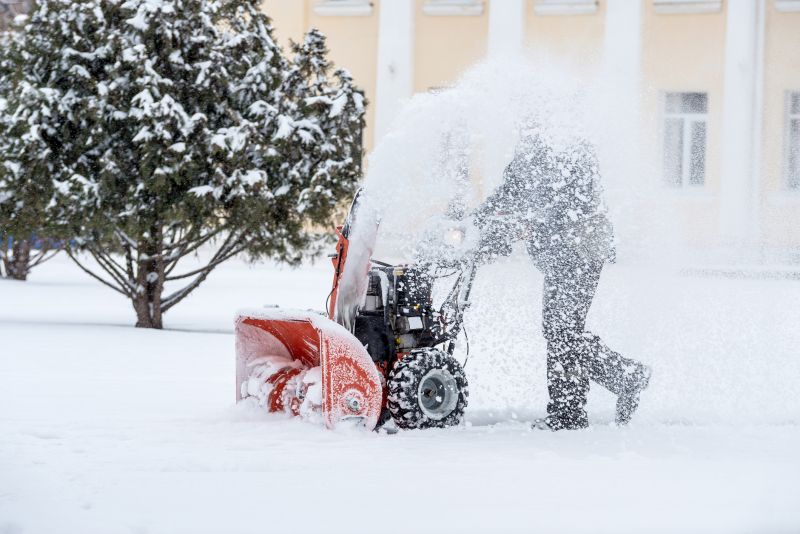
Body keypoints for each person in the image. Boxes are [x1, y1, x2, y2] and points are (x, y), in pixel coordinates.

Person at [472, 128, 651, 430]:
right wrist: (473, 222)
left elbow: (572, 199)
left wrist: (530, 218)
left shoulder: (573, 145)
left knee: (562, 331)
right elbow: (509, 191)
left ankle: (623, 378)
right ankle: (570, 411)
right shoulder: (530, 150)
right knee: (560, 330)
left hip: (581, 250)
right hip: (558, 256)